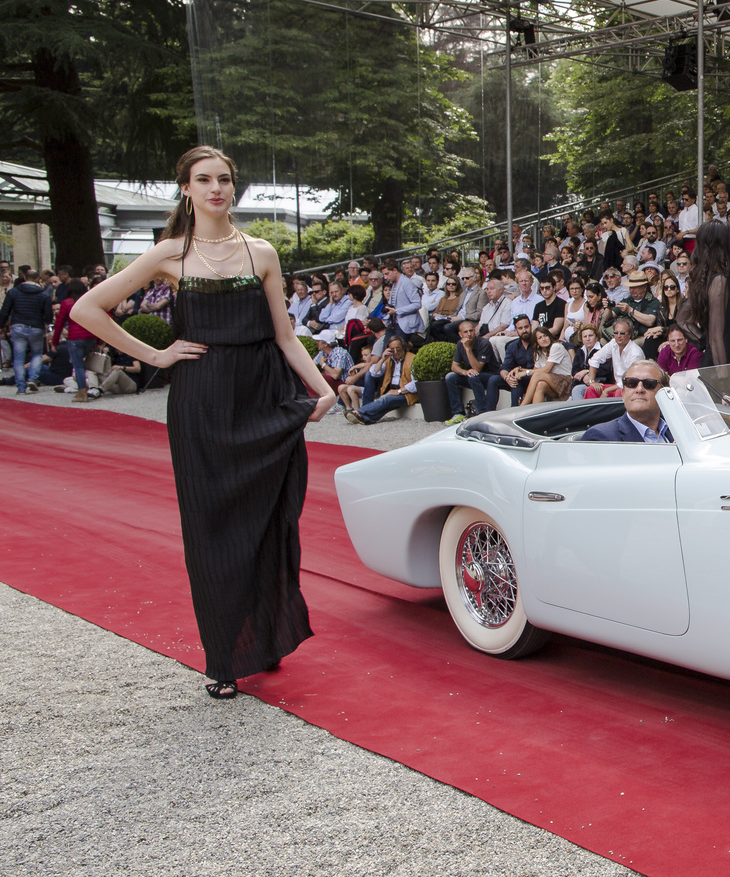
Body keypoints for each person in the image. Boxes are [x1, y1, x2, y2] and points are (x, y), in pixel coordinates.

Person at [66, 146, 333, 699]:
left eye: (225, 179)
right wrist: (156, 355)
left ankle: (263, 638)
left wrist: (323, 388)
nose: (216, 188)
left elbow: (285, 336)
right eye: (204, 179)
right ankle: (225, 658)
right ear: (185, 188)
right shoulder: (169, 252)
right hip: (202, 402)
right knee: (212, 531)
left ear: (235, 188)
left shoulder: (261, 252)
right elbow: (85, 310)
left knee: (269, 522)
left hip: (264, 396)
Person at [682, 219, 730, 368]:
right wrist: (723, 377)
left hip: (719, 357)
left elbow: (682, 320)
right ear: (722, 247)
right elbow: (717, 336)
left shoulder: (704, 280)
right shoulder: (719, 281)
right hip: (725, 359)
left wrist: (704, 341)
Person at [579, 359, 674, 443]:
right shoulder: (600, 437)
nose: (639, 389)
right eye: (631, 383)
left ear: (663, 394)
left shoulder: (679, 433)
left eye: (649, 384)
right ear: (623, 394)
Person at [1, 265, 52, 394]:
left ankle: (21, 386)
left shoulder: (14, 292)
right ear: (37, 279)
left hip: (18, 326)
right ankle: (33, 379)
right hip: (36, 326)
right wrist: (47, 322)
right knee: (36, 354)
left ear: (24, 277)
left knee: (18, 358)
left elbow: (5, 310)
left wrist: (1, 325)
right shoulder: (43, 294)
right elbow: (48, 314)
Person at [348, 336, 418, 424]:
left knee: (386, 399)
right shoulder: (389, 359)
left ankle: (359, 412)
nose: (396, 352)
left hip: (406, 393)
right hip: (392, 390)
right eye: (392, 349)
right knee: (386, 403)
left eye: (398, 348)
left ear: (403, 347)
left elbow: (416, 383)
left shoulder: (412, 359)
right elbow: (374, 373)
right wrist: (382, 359)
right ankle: (365, 419)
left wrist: (398, 391)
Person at [443, 319, 496, 421]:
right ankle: (458, 413)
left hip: (490, 376)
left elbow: (477, 368)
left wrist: (468, 349)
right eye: (466, 332)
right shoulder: (460, 344)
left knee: (473, 376)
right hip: (473, 375)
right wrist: (465, 372)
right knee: (450, 377)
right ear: (460, 334)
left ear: (475, 331)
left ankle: (482, 412)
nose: (469, 334)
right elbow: (454, 366)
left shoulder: (484, 343)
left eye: (471, 331)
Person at [521, 326, 573, 404]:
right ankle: (536, 414)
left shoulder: (556, 347)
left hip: (566, 382)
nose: (544, 339)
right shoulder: (539, 351)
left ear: (549, 336)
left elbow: (546, 369)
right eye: (540, 338)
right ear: (537, 341)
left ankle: (522, 406)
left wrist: (526, 372)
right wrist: (521, 370)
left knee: (537, 376)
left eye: (545, 336)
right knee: (540, 385)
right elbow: (535, 370)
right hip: (553, 383)